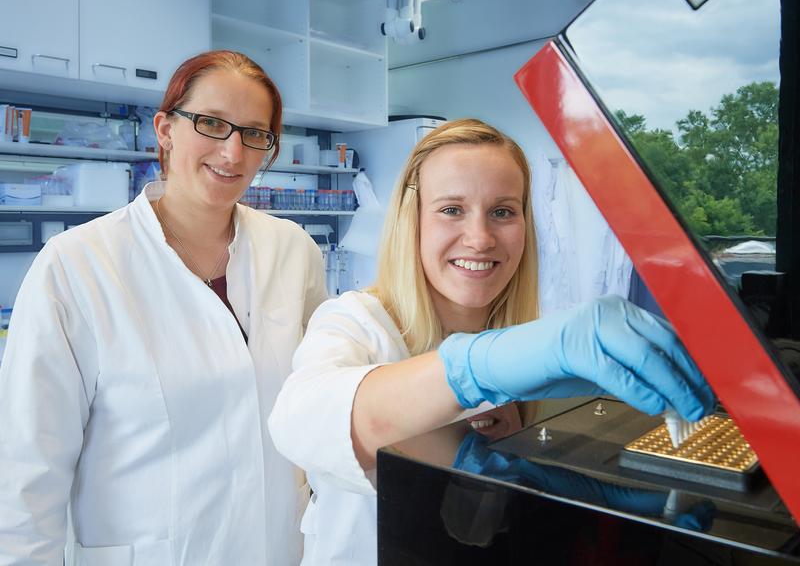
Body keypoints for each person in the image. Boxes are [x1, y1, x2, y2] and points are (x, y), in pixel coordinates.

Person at [268, 119, 715, 565]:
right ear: (413, 221)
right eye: (451, 209)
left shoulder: (520, 336)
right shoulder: (355, 321)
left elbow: (474, 530)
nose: (480, 238)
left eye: (502, 211)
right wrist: (474, 370)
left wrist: (541, 486)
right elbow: (298, 420)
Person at [0, 50, 327, 566]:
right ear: (166, 129)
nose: (233, 151)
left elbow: (322, 395)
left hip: (282, 549)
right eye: (212, 123)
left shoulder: (292, 250)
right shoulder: (77, 266)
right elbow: (26, 470)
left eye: (255, 134)